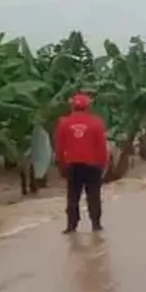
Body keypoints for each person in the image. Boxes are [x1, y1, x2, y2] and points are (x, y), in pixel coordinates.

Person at [55, 92, 109, 233]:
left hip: (73, 165)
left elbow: (60, 147)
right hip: (93, 165)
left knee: (73, 197)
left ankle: (71, 226)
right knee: (94, 196)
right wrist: (103, 165)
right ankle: (96, 225)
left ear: (73, 106)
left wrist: (60, 164)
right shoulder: (97, 123)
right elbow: (102, 147)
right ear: (88, 107)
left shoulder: (64, 123)